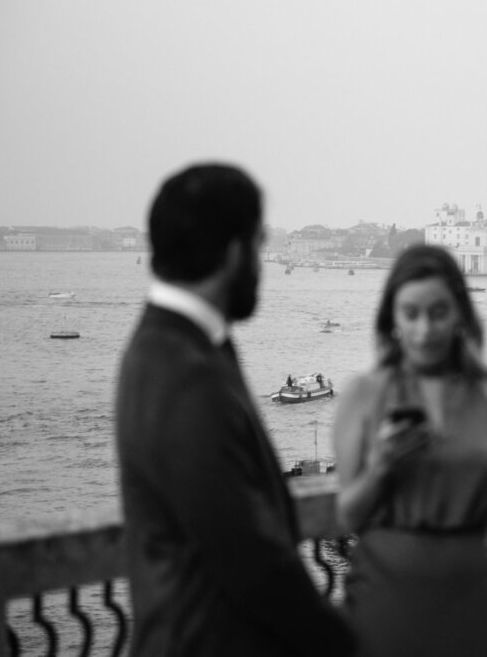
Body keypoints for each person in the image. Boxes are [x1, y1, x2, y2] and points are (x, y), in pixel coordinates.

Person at [115, 163, 354, 656]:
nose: (262, 266)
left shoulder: (166, 347)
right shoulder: (187, 373)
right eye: (259, 246)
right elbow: (247, 558)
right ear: (233, 251)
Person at [333, 244, 487, 657]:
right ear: (392, 319)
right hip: (388, 605)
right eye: (411, 314)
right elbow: (348, 514)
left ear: (461, 313)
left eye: (438, 313)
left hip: (483, 603)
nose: (425, 330)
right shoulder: (363, 395)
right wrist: (379, 467)